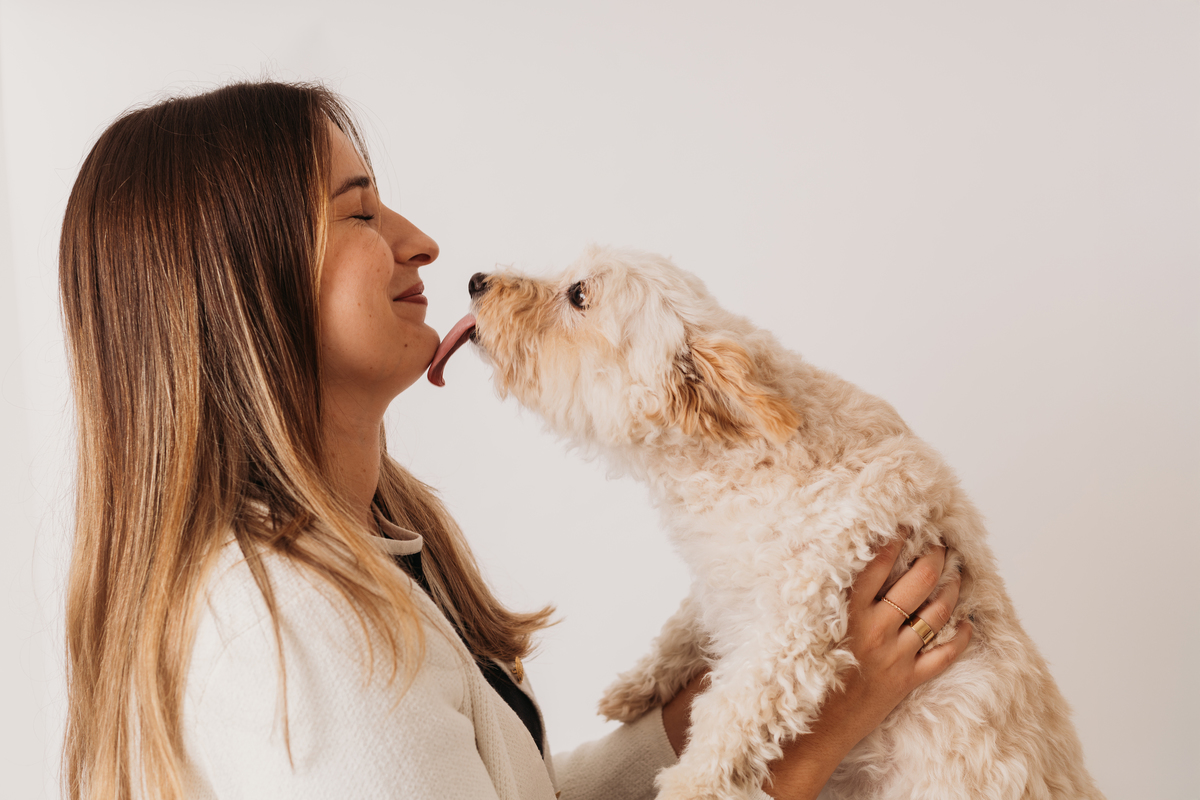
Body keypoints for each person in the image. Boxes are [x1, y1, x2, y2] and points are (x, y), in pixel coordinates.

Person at [59, 81, 972, 800]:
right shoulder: (295, 630)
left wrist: (696, 719)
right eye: (361, 212)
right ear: (246, 282)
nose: (423, 243)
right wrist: (801, 755)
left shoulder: (359, 555)